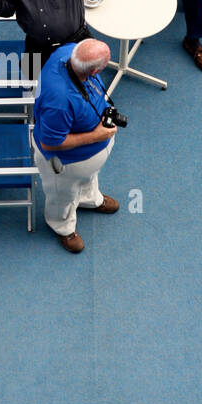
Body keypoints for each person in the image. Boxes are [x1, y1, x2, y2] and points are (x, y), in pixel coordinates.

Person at [32, 38, 120, 254]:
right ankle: (62, 226)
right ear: (94, 71)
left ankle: (89, 199)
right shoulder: (59, 101)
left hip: (89, 157)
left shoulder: (71, 51)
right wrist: (96, 135)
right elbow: (50, 143)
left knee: (88, 178)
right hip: (65, 163)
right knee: (62, 195)